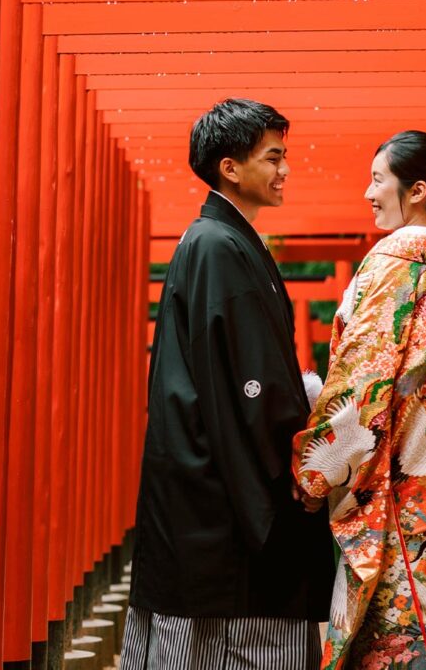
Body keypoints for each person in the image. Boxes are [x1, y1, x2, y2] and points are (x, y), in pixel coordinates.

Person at [122, 98, 335, 670]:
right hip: (220, 489)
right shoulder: (219, 246)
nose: (286, 169)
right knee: (240, 634)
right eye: (273, 157)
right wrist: (304, 458)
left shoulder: (218, 241)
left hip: (202, 475)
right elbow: (254, 380)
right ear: (230, 167)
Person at [292, 131, 426, 670]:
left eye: (377, 181)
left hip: (408, 496)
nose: (368, 194)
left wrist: (316, 475)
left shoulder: (393, 267)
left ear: (417, 191)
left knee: (402, 642)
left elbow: (360, 387)